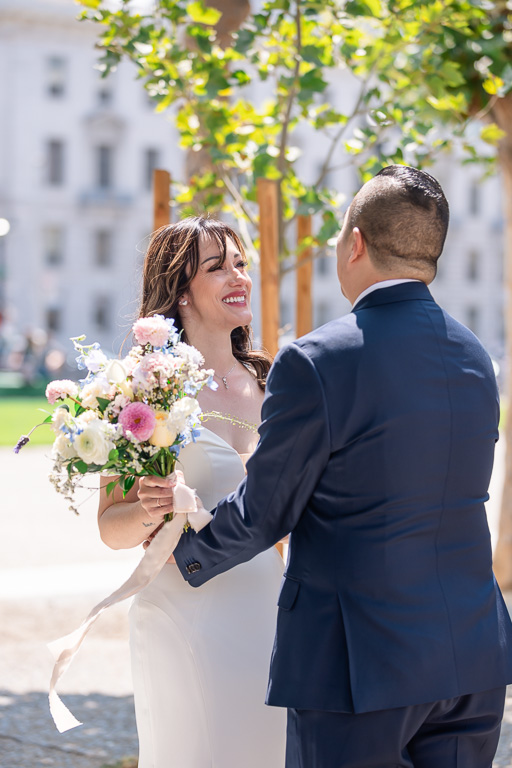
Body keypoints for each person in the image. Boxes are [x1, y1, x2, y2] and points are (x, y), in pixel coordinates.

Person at [172, 166, 512, 768]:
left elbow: (266, 509)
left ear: (354, 243)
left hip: (359, 663)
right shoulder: (474, 357)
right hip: (472, 654)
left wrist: (186, 554)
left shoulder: (316, 360)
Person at [97, 218, 286, 768]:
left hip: (272, 612)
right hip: (186, 614)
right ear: (181, 291)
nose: (238, 277)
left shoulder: (275, 382)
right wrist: (149, 508)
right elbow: (111, 528)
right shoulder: (143, 389)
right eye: (217, 267)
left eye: (241, 264)